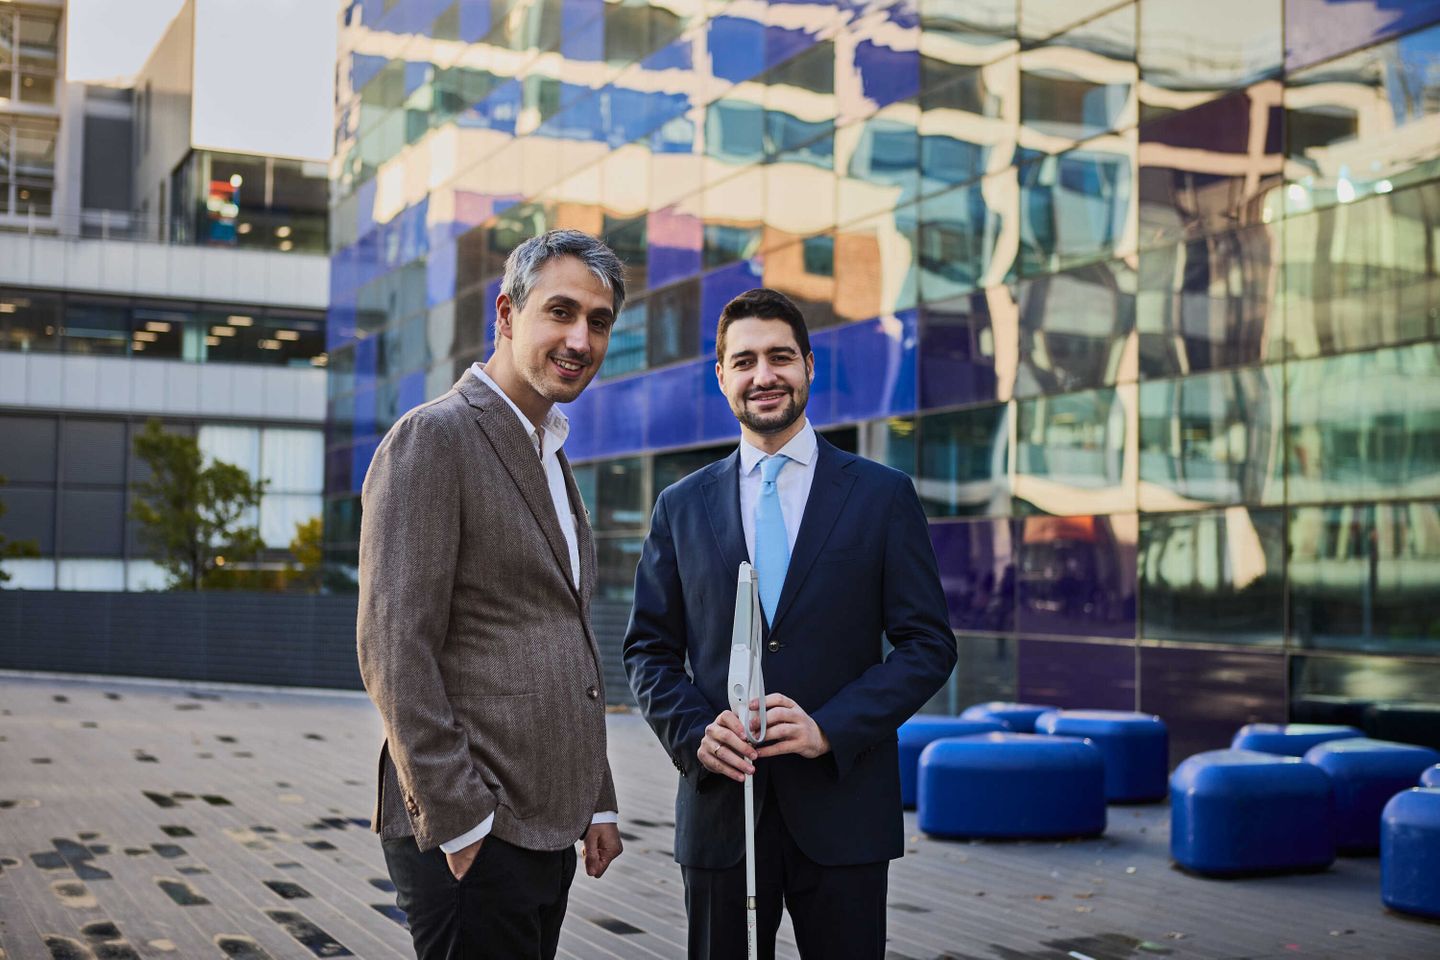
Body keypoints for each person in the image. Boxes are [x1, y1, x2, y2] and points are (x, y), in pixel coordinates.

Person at [623, 288, 957, 959]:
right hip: (722, 809)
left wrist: (830, 727)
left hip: (843, 811)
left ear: (809, 365)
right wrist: (693, 733)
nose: (763, 375)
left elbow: (927, 646)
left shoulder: (882, 496)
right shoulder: (680, 506)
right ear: (721, 378)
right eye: (744, 361)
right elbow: (647, 650)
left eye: (780, 357)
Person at [358, 230, 626, 960]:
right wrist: (461, 820)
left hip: (544, 827)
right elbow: (393, 649)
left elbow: (562, 634)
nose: (580, 338)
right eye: (561, 312)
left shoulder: (549, 452)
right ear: (507, 314)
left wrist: (595, 795)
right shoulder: (433, 439)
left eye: (598, 322)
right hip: (475, 834)